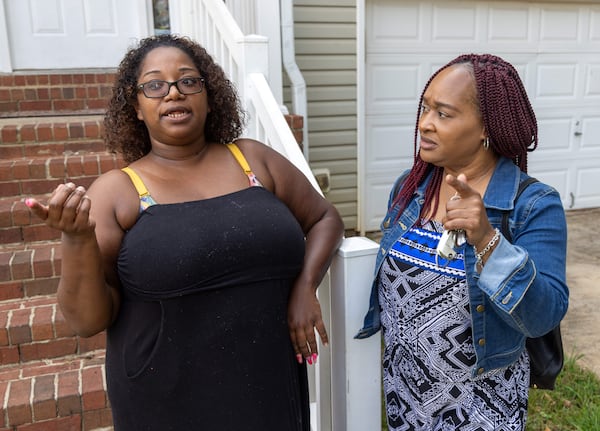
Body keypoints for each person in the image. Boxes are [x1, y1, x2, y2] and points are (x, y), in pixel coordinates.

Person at [26, 34, 344, 430]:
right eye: (155, 85)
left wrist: (304, 287)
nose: (173, 93)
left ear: (209, 96)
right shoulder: (118, 192)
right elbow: (87, 320)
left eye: (188, 81)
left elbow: (325, 218)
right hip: (167, 399)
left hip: (268, 382)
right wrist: (76, 239)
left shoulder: (253, 160)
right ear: (137, 107)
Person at [356, 53, 569, 430]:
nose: (424, 124)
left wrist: (488, 239)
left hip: (480, 408)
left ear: (486, 127)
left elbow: (543, 316)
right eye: (425, 109)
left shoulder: (531, 204)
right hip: (405, 396)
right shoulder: (410, 189)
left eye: (443, 114)